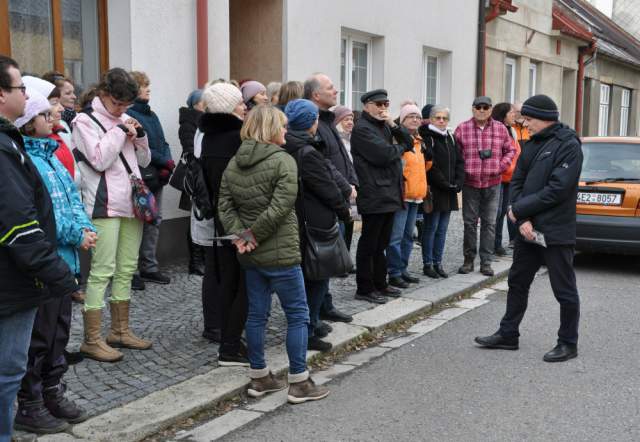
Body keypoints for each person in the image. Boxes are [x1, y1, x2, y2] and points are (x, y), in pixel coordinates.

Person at [218, 104, 329, 404]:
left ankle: (260, 377)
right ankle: (300, 381)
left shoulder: (234, 162)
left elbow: (224, 206)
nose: (285, 131)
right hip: (280, 253)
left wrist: (243, 236)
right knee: (298, 315)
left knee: (257, 315)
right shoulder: (283, 160)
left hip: (250, 254)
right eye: (281, 126)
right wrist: (251, 235)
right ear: (269, 129)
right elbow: (281, 207)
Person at [0, 55, 79, 442]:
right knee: (9, 371)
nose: (26, 94)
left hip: (24, 273)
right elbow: (19, 225)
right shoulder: (5, 150)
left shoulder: (10, 145)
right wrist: (58, 274)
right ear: (2, 95)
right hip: (15, 279)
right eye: (21, 88)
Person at [475, 94, 583, 363]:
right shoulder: (532, 143)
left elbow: (557, 190)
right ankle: (508, 334)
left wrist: (520, 211)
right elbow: (517, 183)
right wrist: (522, 220)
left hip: (555, 230)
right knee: (517, 281)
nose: (525, 124)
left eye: (529, 119)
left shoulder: (569, 145)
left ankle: (568, 342)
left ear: (545, 119)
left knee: (564, 289)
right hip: (527, 229)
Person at [13, 88, 95, 434]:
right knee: (40, 336)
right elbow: (45, 215)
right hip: (46, 262)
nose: (53, 117)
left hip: (66, 262)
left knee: (59, 332)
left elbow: (72, 199)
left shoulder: (51, 153)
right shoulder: (26, 161)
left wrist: (86, 226)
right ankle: (30, 402)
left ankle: (52, 391)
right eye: (44, 114)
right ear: (28, 122)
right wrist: (76, 235)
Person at [72, 68, 152, 362]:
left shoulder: (126, 118)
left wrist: (139, 137)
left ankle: (119, 330)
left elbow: (144, 161)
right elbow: (99, 160)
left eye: (125, 105)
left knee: (127, 267)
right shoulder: (84, 121)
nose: (120, 109)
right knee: (102, 270)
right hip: (103, 204)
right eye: (116, 103)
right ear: (103, 94)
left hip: (132, 203)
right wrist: (119, 131)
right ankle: (92, 339)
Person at [284, 99, 351, 352]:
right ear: (312, 122)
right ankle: (309, 328)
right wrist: (345, 212)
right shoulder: (307, 152)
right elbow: (327, 188)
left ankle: (310, 323)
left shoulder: (287, 145)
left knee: (306, 276)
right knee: (318, 276)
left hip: (299, 219)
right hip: (315, 222)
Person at [198, 82, 249, 365]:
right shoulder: (236, 138)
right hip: (240, 219)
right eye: (240, 102)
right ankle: (231, 343)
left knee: (227, 277)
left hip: (222, 218)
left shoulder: (210, 137)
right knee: (238, 282)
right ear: (229, 107)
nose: (245, 106)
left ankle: (229, 337)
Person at [351, 89, 414, 304]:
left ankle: (380, 283)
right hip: (374, 193)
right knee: (370, 243)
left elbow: (409, 141)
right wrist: (400, 148)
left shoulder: (384, 125)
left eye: (386, 104)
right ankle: (364, 287)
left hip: (390, 192)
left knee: (382, 243)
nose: (383, 108)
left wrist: (394, 125)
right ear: (367, 106)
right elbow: (384, 155)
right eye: (378, 104)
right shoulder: (362, 128)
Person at [304, 73, 356, 322]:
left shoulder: (326, 120)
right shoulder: (313, 124)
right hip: (324, 203)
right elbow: (324, 165)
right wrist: (343, 189)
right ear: (316, 95)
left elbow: (342, 157)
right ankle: (313, 317)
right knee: (321, 261)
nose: (336, 91)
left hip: (337, 197)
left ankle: (324, 306)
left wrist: (351, 181)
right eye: (330, 87)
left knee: (328, 261)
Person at [454, 96, 515, 276]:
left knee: (490, 223)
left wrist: (500, 166)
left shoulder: (500, 128)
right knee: (469, 223)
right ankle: (468, 260)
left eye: (485, 107)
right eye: (478, 107)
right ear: (473, 109)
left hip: (493, 183)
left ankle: (486, 262)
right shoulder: (462, 128)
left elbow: (511, 150)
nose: (482, 110)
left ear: (490, 109)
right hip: (470, 183)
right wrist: (463, 172)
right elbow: (456, 155)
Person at [127, 71, 174, 289]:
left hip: (157, 176)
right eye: (143, 85)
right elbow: (141, 146)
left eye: (148, 85)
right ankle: (131, 270)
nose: (148, 89)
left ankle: (149, 266)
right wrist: (164, 161)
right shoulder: (129, 114)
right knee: (137, 222)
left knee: (155, 220)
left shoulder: (151, 114)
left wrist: (168, 162)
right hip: (141, 175)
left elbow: (162, 142)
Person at [386, 103, 431, 288]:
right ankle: (394, 272)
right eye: (410, 116)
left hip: (416, 195)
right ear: (402, 120)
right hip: (402, 195)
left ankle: (403, 269)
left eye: (418, 117)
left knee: (408, 237)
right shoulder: (396, 139)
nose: (415, 119)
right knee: (395, 237)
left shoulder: (420, 141)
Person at [419, 105, 465, 279]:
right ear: (431, 119)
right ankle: (428, 264)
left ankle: (438, 262)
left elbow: (460, 161)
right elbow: (431, 166)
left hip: (450, 190)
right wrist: (446, 184)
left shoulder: (450, 137)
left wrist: (459, 182)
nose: (441, 121)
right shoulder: (427, 137)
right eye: (437, 118)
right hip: (435, 190)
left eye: (444, 118)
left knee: (443, 229)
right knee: (431, 228)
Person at [178, 89, 206, 276]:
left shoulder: (204, 121)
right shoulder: (189, 123)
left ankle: (203, 258)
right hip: (195, 176)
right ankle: (195, 262)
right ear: (196, 103)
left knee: (203, 218)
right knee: (195, 218)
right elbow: (191, 150)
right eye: (205, 101)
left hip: (202, 174)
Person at [492, 103, 521, 256]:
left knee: (503, 211)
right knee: (495, 212)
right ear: (503, 115)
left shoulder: (512, 131)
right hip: (499, 177)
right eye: (511, 112)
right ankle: (493, 244)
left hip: (510, 178)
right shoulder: (497, 131)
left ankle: (497, 244)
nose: (514, 115)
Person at [333, 105, 356, 251]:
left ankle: (346, 257)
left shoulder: (352, 139)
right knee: (340, 226)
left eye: (351, 119)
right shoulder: (336, 140)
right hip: (339, 188)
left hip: (352, 188)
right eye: (346, 119)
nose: (350, 122)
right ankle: (340, 258)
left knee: (349, 225)